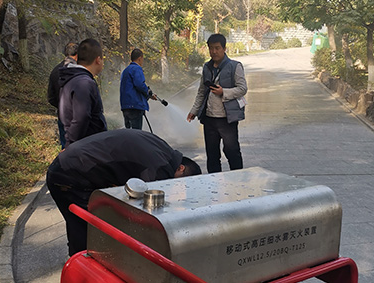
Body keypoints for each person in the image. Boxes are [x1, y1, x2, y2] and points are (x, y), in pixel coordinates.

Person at [46, 129, 202, 256]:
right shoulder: (159, 169)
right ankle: (81, 271)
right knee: (89, 229)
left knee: (88, 226)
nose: (174, 190)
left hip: (73, 165)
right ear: (181, 168)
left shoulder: (163, 150)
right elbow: (146, 211)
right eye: (179, 185)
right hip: (68, 174)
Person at [187, 33, 247, 173]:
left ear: (224, 48)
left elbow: (242, 88)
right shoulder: (207, 67)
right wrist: (194, 110)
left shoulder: (235, 66)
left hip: (227, 119)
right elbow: (202, 91)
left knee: (232, 151)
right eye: (211, 48)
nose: (214, 51)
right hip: (209, 119)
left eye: (217, 48)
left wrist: (224, 92)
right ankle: (214, 183)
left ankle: (238, 178)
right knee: (212, 155)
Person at [58, 38, 107, 145]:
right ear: (98, 60)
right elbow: (81, 118)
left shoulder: (72, 78)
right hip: (87, 148)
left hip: (81, 146)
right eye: (102, 60)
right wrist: (70, 144)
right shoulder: (84, 83)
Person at [47, 42, 78, 149]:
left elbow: (51, 97)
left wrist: (61, 106)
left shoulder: (55, 70)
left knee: (65, 147)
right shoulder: (79, 71)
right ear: (77, 55)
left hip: (62, 115)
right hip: (78, 116)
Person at [120, 48, 157, 130]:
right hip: (135, 107)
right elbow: (139, 84)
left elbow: (131, 87)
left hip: (126, 107)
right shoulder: (137, 68)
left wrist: (149, 95)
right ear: (140, 58)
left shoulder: (126, 70)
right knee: (136, 133)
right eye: (142, 59)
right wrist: (148, 92)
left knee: (129, 133)